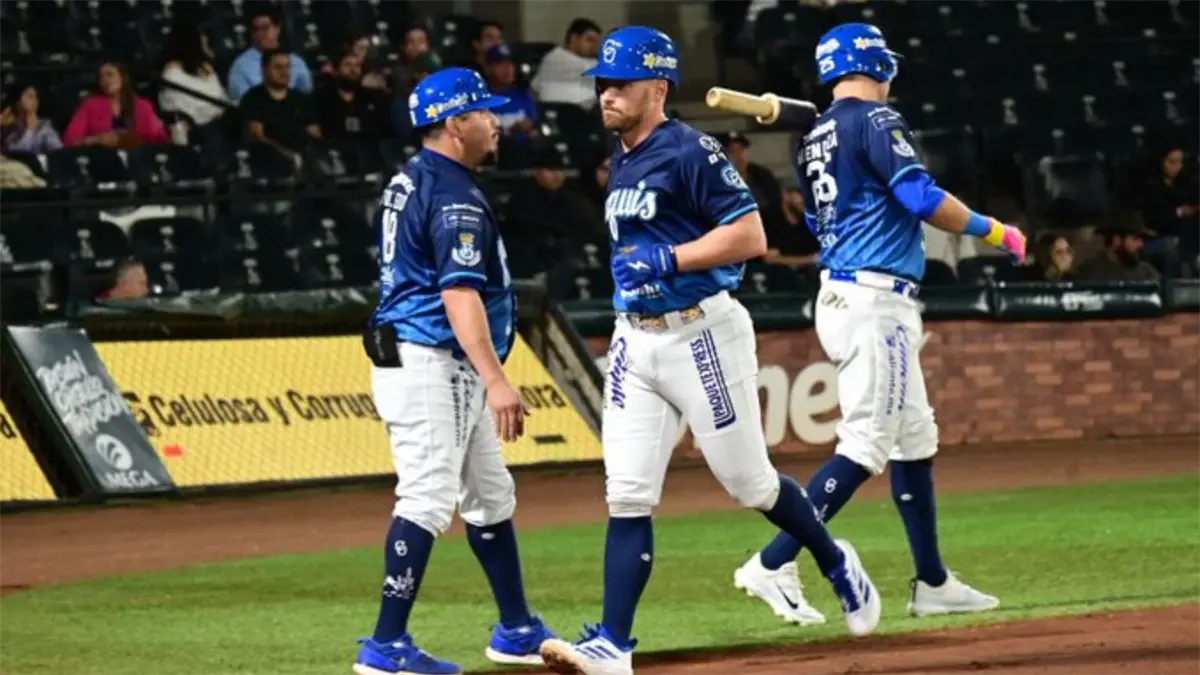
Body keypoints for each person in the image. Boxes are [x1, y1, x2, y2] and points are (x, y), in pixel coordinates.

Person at [537, 26, 881, 675]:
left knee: (750, 482)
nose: (606, 93)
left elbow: (750, 235)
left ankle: (836, 561)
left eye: (620, 83)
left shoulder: (690, 149)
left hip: (700, 334)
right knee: (626, 492)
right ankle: (613, 644)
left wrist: (669, 257)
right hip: (636, 338)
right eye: (602, 83)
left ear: (657, 86)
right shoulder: (622, 154)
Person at [732, 22, 1010, 627]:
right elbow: (919, 197)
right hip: (874, 299)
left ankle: (932, 581)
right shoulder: (878, 120)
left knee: (916, 436)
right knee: (865, 443)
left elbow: (816, 222)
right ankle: (773, 561)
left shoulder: (812, 136)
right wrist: (993, 230)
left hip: (847, 292)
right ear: (878, 65)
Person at [354, 66, 556, 675]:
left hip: (431, 356)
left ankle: (516, 629)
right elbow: (459, 293)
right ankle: (386, 644)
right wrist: (497, 380)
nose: (496, 120)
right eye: (483, 111)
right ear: (453, 123)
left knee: (490, 495)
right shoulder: (453, 195)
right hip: (431, 358)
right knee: (426, 496)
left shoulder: (415, 176)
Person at [64, 61, 170, 148]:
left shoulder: (142, 105)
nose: (105, 80)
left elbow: (160, 137)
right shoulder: (89, 105)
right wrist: (96, 140)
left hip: (138, 158)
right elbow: (70, 139)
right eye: (101, 77)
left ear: (123, 77)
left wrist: (128, 139)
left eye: (110, 75)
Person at [239, 49, 321, 156]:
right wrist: (287, 154)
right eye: (278, 67)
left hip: (304, 157)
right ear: (264, 70)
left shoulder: (301, 98)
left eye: (287, 67)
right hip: (269, 158)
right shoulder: (253, 98)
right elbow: (256, 136)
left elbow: (313, 132)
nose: (284, 72)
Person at [226, 7, 313, 102]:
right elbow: (242, 101)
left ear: (277, 29)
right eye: (255, 29)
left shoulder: (296, 61)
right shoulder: (241, 65)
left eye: (265, 28)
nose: (259, 34)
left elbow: (306, 94)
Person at [157, 22, 231, 129]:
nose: (205, 40)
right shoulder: (172, 74)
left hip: (221, 122)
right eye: (202, 38)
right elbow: (188, 113)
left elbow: (220, 96)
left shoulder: (205, 67)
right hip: (199, 129)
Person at [314, 50, 391, 139]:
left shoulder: (373, 97)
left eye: (357, 65)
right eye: (348, 65)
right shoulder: (322, 97)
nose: (353, 70)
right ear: (336, 70)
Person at [530, 18, 602, 109]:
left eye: (596, 42)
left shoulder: (550, 57)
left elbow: (534, 89)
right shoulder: (557, 58)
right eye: (590, 40)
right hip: (574, 113)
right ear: (574, 38)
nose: (594, 46)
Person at [1076, 218, 1160, 282]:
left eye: (1142, 240)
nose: (1140, 244)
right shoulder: (1091, 270)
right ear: (1116, 240)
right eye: (1135, 239)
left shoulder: (1146, 272)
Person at [483, 44, 537, 139]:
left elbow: (534, 123)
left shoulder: (523, 94)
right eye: (500, 64)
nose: (507, 68)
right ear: (488, 69)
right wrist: (510, 130)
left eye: (510, 64)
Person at [1, 82, 62, 154]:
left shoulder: (44, 127)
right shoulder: (9, 125)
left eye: (36, 97)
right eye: (30, 96)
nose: (35, 101)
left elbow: (58, 151)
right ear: (17, 101)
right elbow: (14, 152)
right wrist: (29, 130)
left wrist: (31, 130)